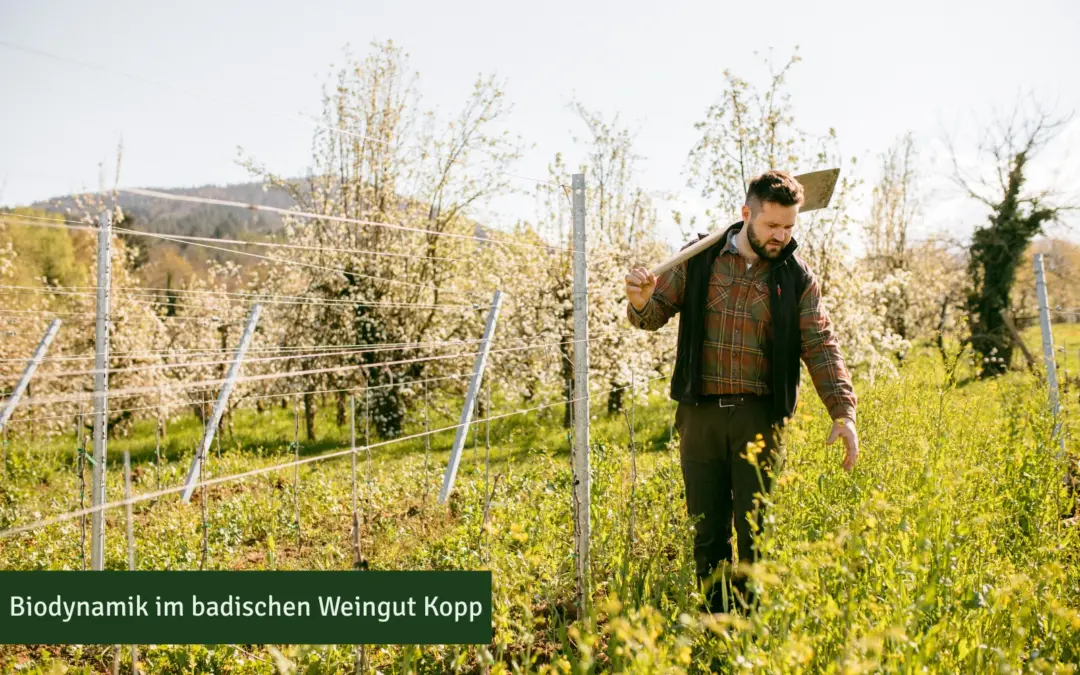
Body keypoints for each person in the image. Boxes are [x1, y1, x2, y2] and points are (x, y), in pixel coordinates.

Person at [624, 169, 859, 613]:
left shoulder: (796, 276)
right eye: (772, 225)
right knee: (708, 530)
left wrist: (843, 412)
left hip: (759, 417)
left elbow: (820, 344)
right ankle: (715, 622)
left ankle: (749, 630)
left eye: (789, 226)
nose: (781, 235)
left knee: (756, 529)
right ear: (746, 213)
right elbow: (651, 315)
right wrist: (639, 300)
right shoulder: (701, 257)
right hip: (701, 416)